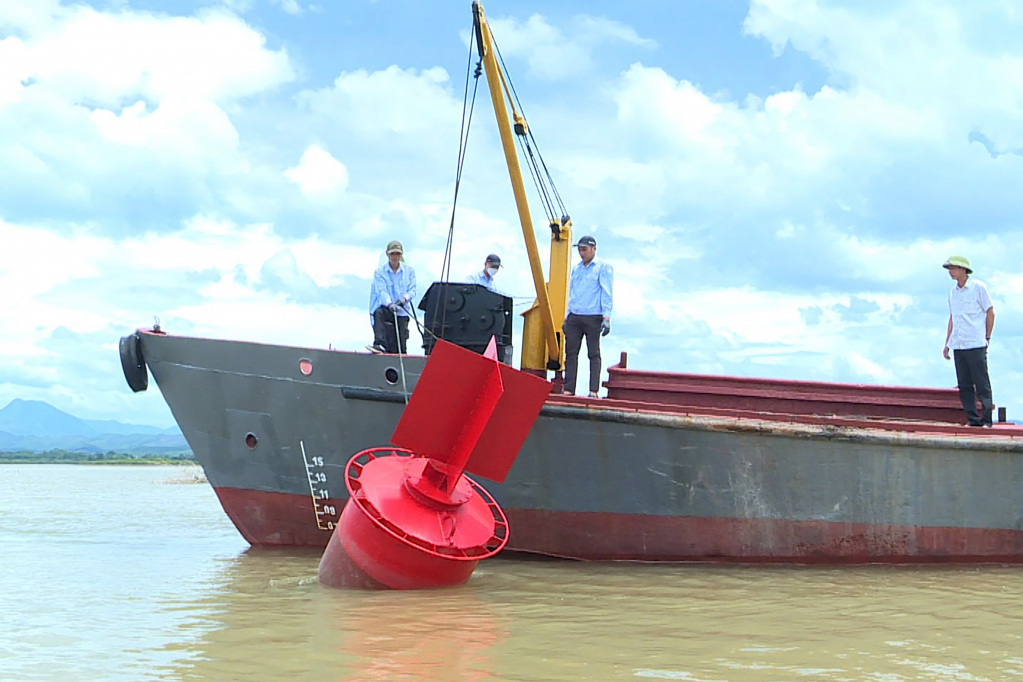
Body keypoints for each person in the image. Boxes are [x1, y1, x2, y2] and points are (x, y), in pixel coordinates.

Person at [942, 255, 995, 426]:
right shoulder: (952, 293)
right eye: (949, 269)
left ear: (963, 269)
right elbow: (953, 318)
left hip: (976, 342)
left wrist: (987, 336)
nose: (951, 272)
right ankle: (972, 419)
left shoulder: (979, 288)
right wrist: (947, 343)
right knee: (964, 384)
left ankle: (986, 420)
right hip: (959, 343)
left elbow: (990, 312)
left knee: (981, 383)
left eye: (954, 268)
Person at [563, 235, 613, 398]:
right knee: (570, 353)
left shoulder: (603, 267)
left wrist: (606, 317)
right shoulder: (577, 269)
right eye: (579, 250)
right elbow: (573, 293)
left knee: (593, 353)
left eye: (584, 250)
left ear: (594, 249)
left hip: (593, 315)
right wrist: (567, 316)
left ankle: (593, 390)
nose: (581, 253)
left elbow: (606, 293)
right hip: (575, 315)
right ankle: (569, 388)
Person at [367, 240, 417, 354]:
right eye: (392, 254)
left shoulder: (409, 271)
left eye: (398, 254)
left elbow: (413, 290)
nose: (395, 257)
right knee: (378, 313)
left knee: (401, 346)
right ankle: (380, 343)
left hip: (402, 311)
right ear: (387, 254)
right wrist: (390, 304)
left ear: (401, 255)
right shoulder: (380, 272)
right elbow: (382, 290)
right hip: (388, 309)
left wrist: (403, 299)